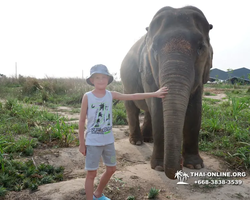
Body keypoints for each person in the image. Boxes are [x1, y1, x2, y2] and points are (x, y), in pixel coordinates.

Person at [78, 64, 168, 200]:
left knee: (111, 169)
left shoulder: (110, 95)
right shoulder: (88, 96)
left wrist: (155, 94)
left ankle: (98, 194)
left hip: (108, 141)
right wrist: (81, 143)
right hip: (92, 142)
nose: (101, 80)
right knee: (91, 174)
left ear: (108, 79)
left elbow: (132, 96)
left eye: (103, 77)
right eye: (97, 77)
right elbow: (81, 120)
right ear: (92, 80)